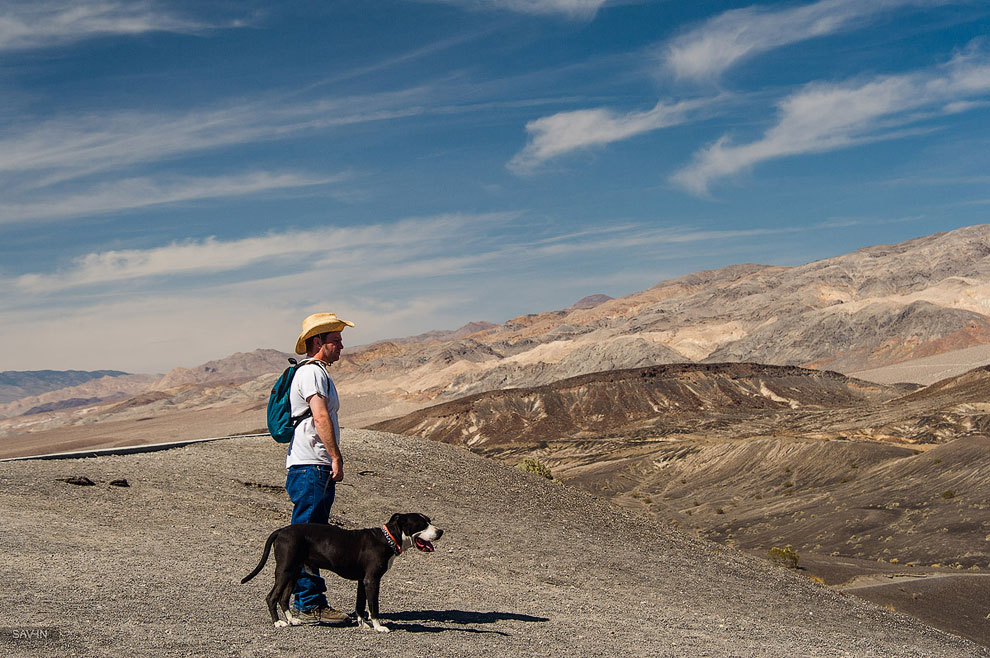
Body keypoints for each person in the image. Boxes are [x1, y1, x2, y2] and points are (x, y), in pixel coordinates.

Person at [285, 311, 354, 623]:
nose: (341, 346)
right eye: (335, 341)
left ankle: (305, 600)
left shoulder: (317, 372)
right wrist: (335, 456)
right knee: (308, 538)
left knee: (313, 535)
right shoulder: (312, 373)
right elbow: (321, 417)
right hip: (312, 466)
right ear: (318, 342)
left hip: (313, 466)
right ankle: (309, 603)